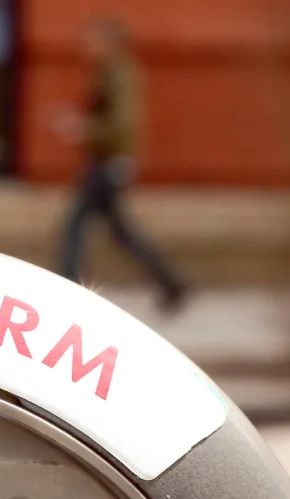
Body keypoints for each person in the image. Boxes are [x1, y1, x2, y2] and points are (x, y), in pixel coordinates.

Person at [51, 16, 188, 312]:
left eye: (91, 41)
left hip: (109, 164)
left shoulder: (119, 73)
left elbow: (122, 123)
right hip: (108, 162)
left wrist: (81, 127)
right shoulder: (109, 72)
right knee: (121, 233)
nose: (84, 47)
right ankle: (171, 283)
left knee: (75, 225)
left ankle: (66, 289)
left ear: (108, 42)